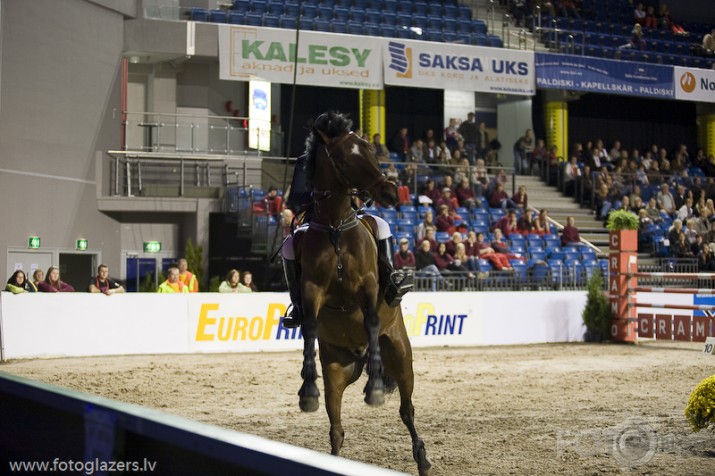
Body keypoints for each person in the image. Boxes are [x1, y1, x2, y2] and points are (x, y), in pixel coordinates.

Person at [280, 113, 413, 329]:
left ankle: (390, 281)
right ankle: (297, 305)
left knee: (382, 225)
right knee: (288, 246)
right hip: (317, 219)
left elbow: (358, 181)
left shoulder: (345, 156)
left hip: (349, 215)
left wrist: (364, 193)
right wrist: (318, 197)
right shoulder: (305, 161)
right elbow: (296, 195)